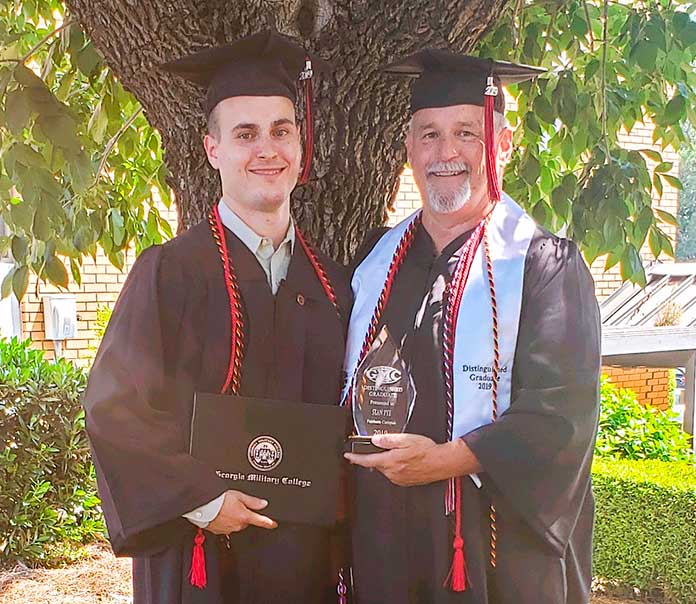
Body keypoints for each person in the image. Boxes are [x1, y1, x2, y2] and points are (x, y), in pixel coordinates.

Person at [84, 30, 351, 604]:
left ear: (300, 147)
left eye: (281, 131)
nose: (266, 150)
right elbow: (114, 407)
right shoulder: (170, 273)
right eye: (245, 134)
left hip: (306, 565)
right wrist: (201, 498)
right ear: (212, 150)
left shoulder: (335, 286)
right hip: (197, 555)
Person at [343, 50, 601, 604]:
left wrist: (444, 461)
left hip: (488, 546)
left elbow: (560, 417)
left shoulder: (542, 266)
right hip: (384, 540)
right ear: (409, 150)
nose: (446, 153)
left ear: (503, 145)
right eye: (429, 135)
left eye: (467, 133)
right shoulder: (374, 264)